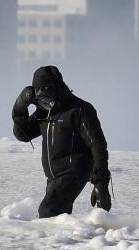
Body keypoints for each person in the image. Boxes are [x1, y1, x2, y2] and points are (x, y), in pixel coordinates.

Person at [12, 65, 111, 218]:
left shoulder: (79, 110)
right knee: (57, 219)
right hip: (53, 177)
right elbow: (23, 134)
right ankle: (69, 241)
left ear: (57, 88)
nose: (45, 101)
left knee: (48, 211)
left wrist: (101, 184)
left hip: (74, 173)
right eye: (39, 97)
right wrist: (20, 106)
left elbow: (98, 145)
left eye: (46, 94)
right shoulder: (45, 112)